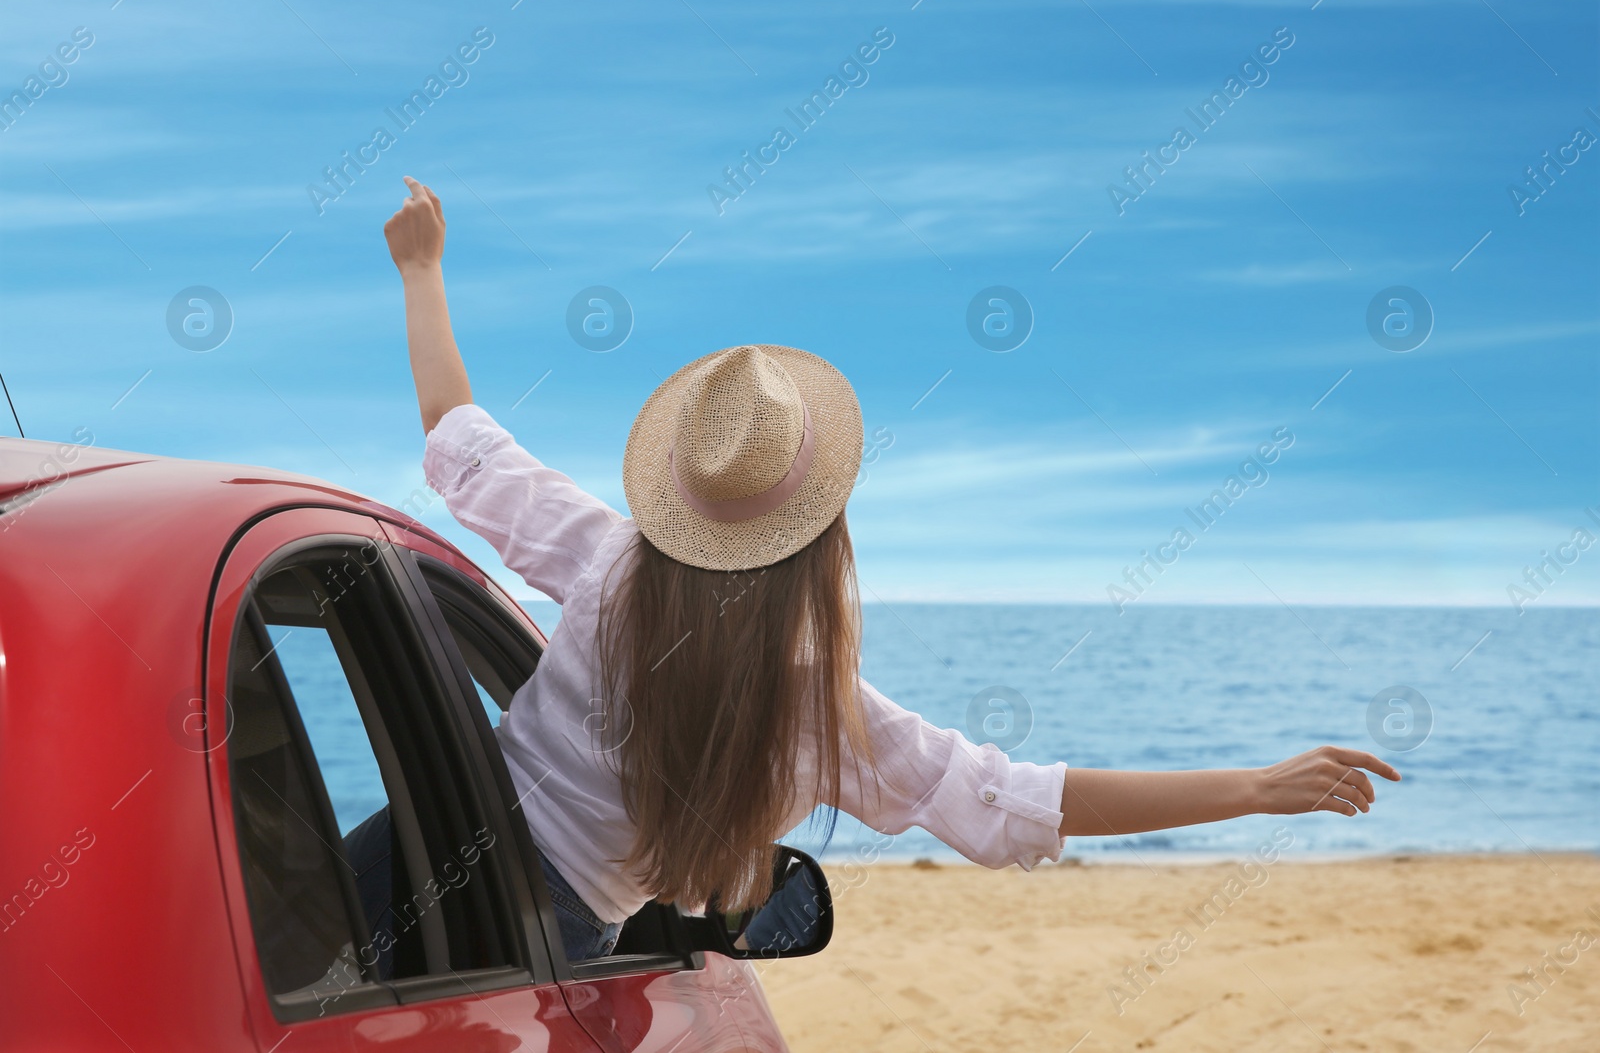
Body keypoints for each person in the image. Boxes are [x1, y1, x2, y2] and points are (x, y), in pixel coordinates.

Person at [381, 176, 1401, 963]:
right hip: (538, 941)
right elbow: (1018, 802)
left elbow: (463, 445)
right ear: (822, 533)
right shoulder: (810, 709)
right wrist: (1254, 786)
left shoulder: (607, 559)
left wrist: (422, 271)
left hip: (417, 836)